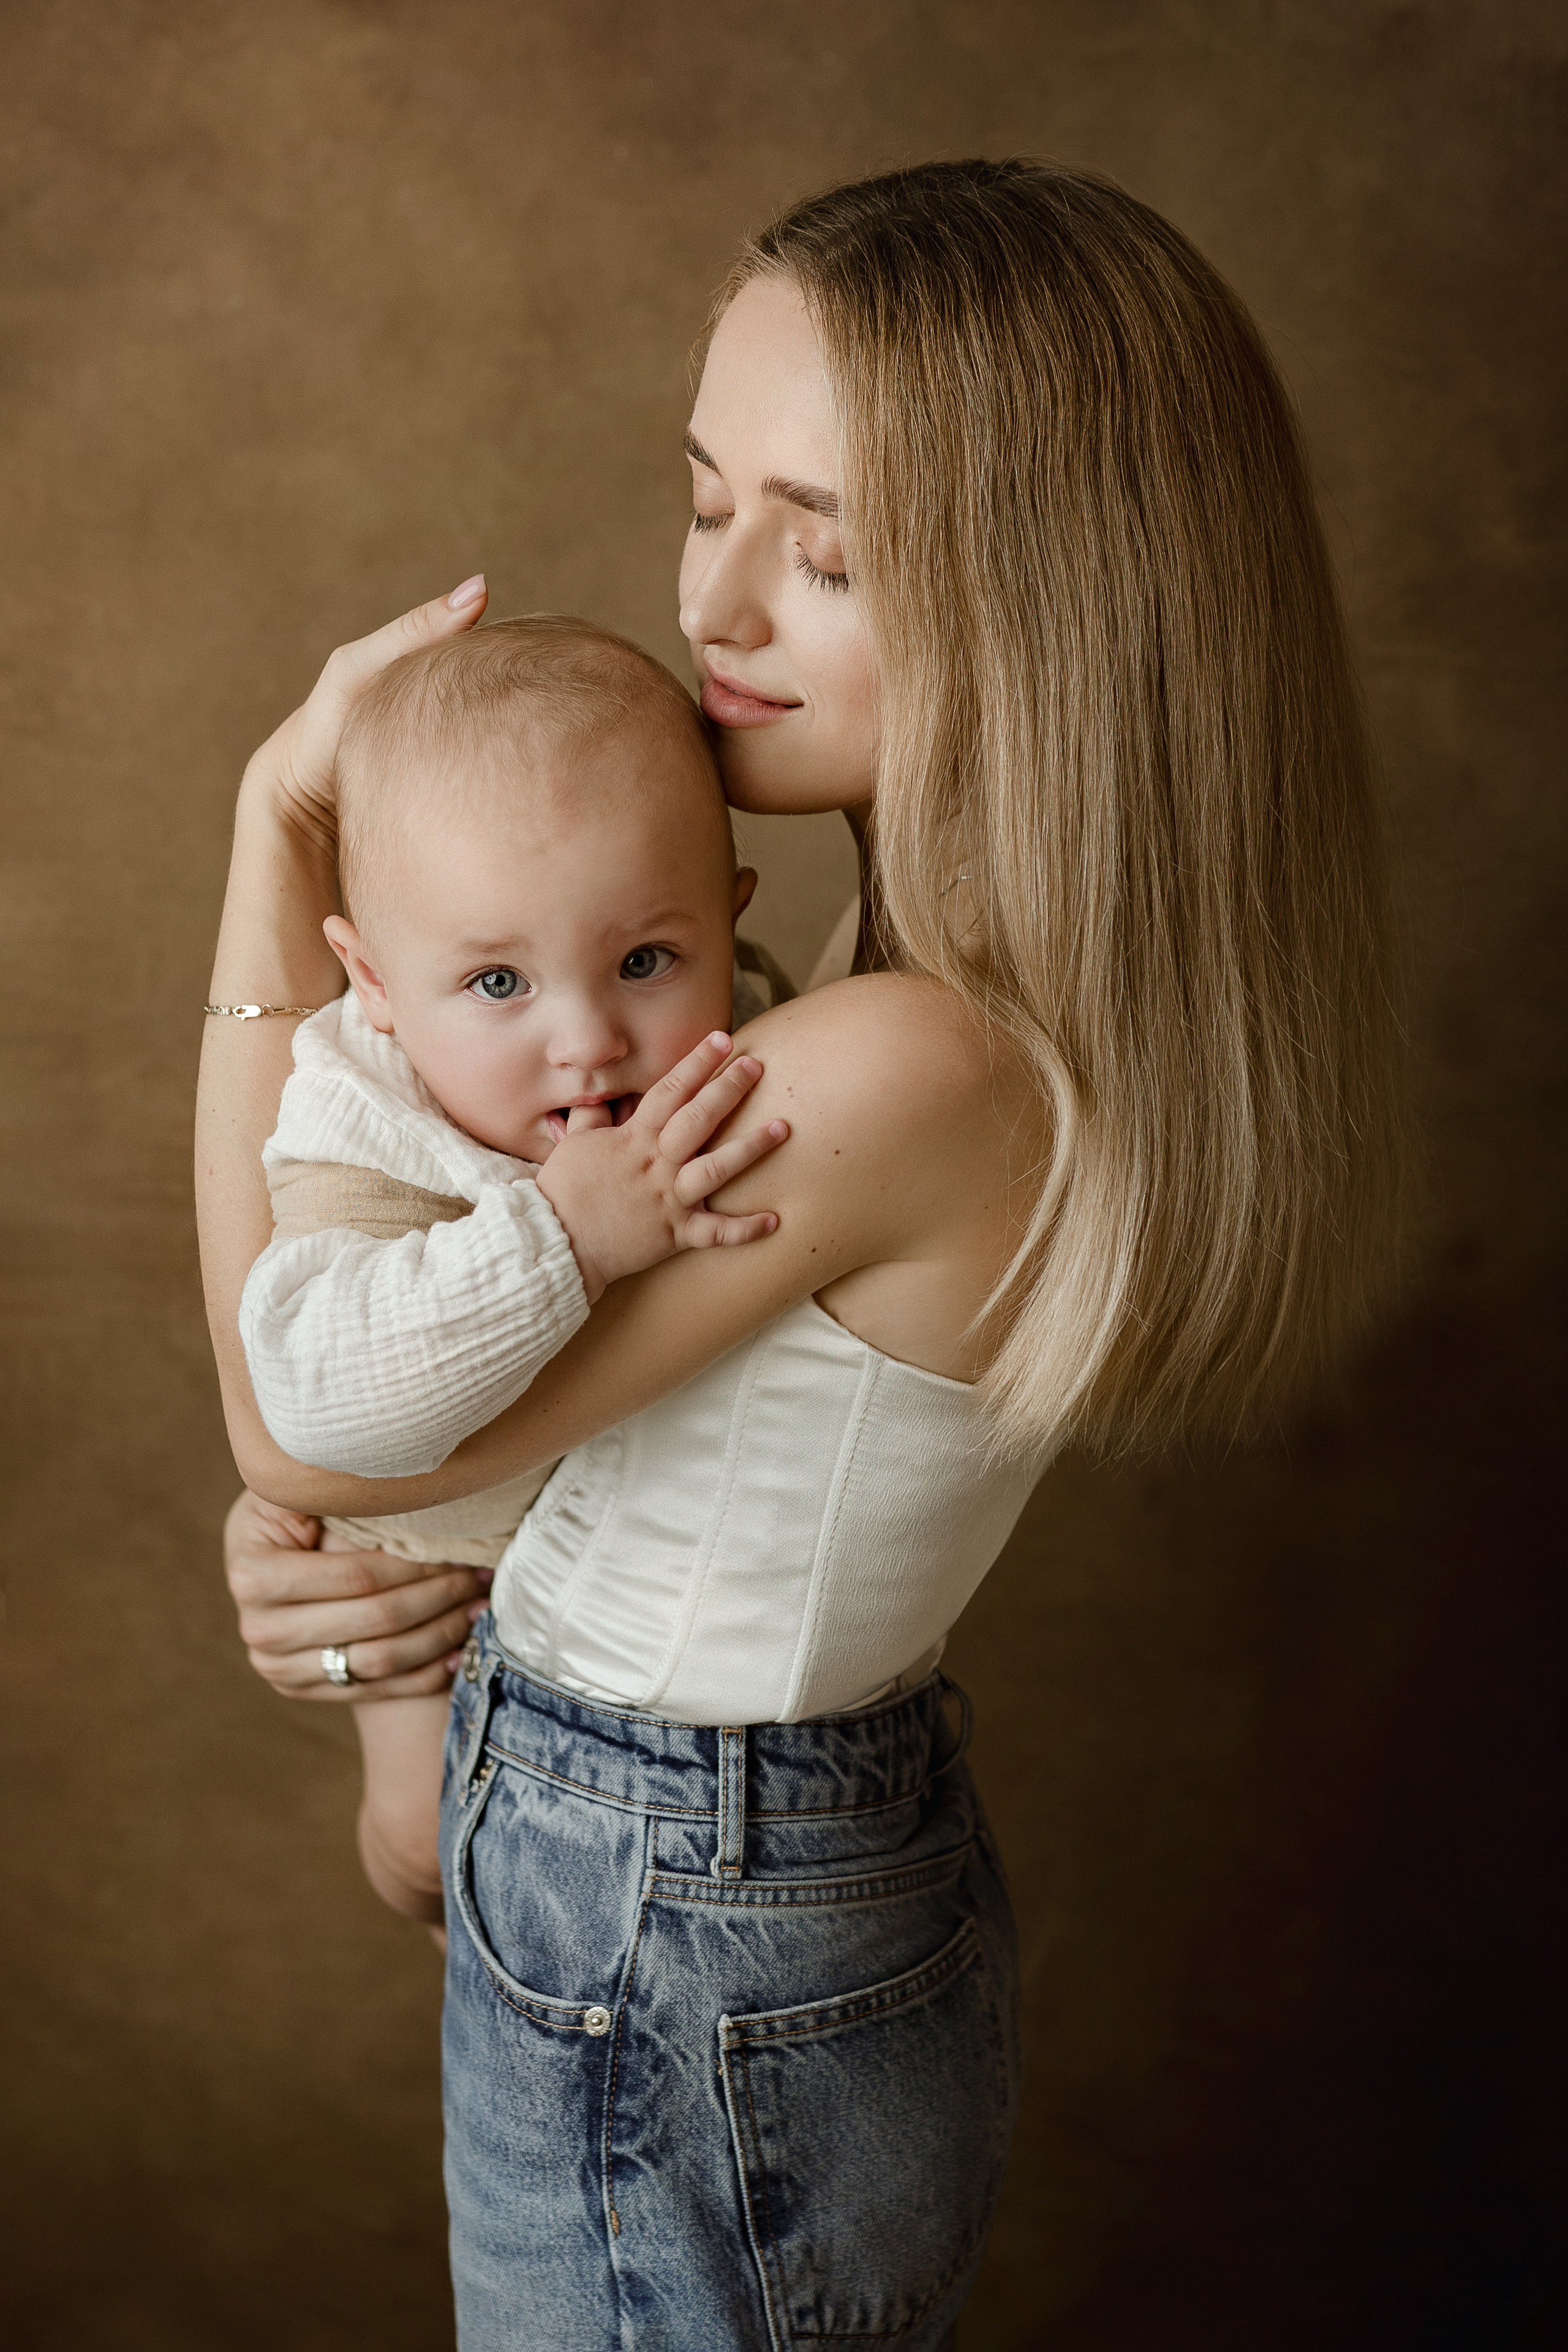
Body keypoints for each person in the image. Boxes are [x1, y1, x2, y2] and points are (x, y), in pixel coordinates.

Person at [200, 160, 1404, 2351]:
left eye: (825, 549)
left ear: (1056, 606)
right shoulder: (870, 986)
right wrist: (385, 1608)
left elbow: (318, 1415)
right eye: (708, 503)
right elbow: (549, 1431)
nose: (720, 605)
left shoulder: (885, 1068)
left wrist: (273, 863)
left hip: (690, 1903)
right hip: (738, 1872)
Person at [237, 612, 793, 1923]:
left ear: (729, 919)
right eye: (496, 983)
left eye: (646, 961)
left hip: (629, 1650)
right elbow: (311, 1401)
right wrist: (565, 1236)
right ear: (370, 982)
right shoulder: (360, 1126)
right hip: (431, 1602)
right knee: (431, 1853)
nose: (588, 1041)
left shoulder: (757, 1054)